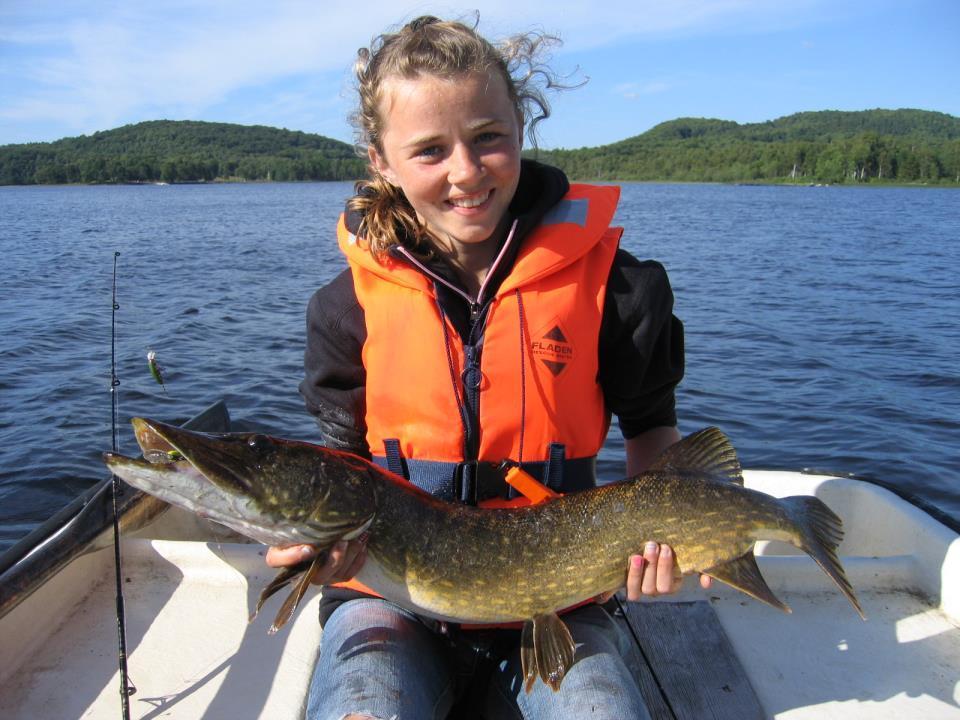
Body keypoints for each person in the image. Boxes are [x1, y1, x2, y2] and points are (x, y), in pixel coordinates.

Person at [267, 15, 709, 720]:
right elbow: (341, 469)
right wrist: (319, 548)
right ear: (381, 161)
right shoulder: (344, 309)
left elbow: (654, 436)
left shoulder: (619, 292)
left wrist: (670, 537)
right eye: (430, 150)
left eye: (488, 138)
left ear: (520, 130)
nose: (466, 172)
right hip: (387, 603)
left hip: (562, 601)